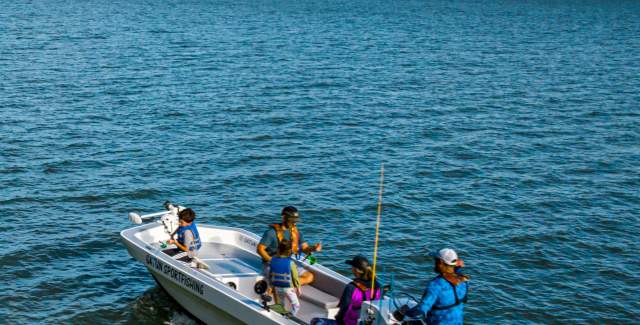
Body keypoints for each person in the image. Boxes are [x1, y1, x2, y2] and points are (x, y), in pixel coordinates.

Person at [394, 248, 469, 325]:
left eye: (436, 260)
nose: (434, 263)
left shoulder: (436, 285)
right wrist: (458, 269)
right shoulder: (464, 280)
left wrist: (407, 313)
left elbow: (422, 309)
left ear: (440, 262)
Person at [257, 206, 322, 286]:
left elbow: (305, 248)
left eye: (295, 221)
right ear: (284, 218)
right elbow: (260, 249)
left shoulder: (296, 232)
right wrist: (272, 261)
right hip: (270, 263)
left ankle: (287, 285)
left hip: (287, 261)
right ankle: (284, 286)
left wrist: (313, 248)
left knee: (309, 277)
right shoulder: (271, 233)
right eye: (292, 221)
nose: (295, 223)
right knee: (283, 277)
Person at [310, 255, 382, 325]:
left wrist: (338, 318)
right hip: (367, 322)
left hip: (349, 323)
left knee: (315, 321)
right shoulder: (378, 286)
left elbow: (344, 310)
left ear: (356, 270)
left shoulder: (351, 288)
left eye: (352, 267)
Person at [270, 239, 302, 315]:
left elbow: (271, 273)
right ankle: (288, 318)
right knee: (296, 305)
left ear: (279, 249)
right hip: (288, 288)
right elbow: (295, 277)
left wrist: (271, 286)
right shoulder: (291, 263)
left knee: (281, 305)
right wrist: (298, 288)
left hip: (277, 287)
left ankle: (280, 317)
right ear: (289, 251)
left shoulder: (273, 260)